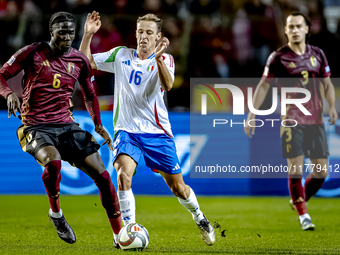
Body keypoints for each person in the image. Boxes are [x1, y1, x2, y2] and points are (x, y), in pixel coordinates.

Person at [79, 12, 215, 245]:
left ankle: (200, 217)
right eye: (140, 31)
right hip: (127, 131)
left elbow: (168, 84)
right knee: (123, 176)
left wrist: (159, 58)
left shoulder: (167, 60)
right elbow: (84, 63)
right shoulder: (121, 55)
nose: (143, 36)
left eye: (149, 33)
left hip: (158, 134)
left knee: (179, 188)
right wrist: (88, 35)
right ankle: (128, 230)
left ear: (158, 37)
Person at [0, 12, 122, 246]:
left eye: (71, 32)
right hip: (35, 126)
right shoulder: (32, 53)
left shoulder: (79, 60)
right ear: (51, 32)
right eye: (62, 31)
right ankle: (56, 213)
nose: (67, 36)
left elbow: (89, 94)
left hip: (66, 125)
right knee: (53, 162)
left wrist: (98, 124)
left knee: (104, 177)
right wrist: (8, 94)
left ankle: (119, 235)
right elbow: (2, 75)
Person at [244, 12, 338, 230]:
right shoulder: (278, 57)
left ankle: (300, 198)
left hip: (315, 121)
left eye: (298, 26)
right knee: (295, 169)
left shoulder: (318, 55)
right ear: (285, 30)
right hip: (291, 121)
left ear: (306, 29)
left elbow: (327, 84)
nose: (294, 30)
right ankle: (304, 216)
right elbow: (264, 86)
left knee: (322, 171)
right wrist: (252, 113)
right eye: (290, 27)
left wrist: (332, 106)